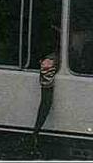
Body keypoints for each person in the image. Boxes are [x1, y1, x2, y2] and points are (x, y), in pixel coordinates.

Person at [30, 21, 61, 156]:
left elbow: (46, 101)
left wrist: (36, 129)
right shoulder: (50, 61)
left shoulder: (49, 62)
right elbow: (46, 100)